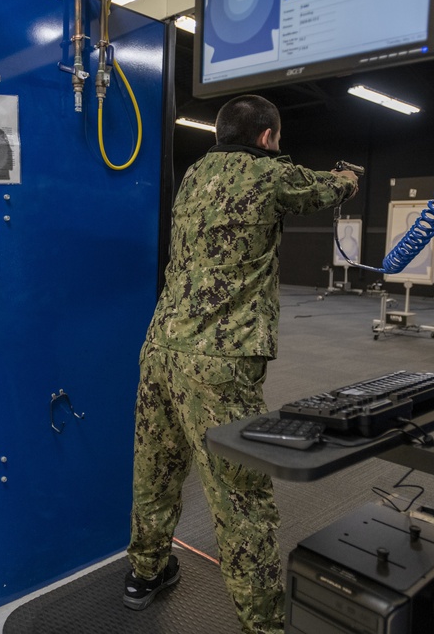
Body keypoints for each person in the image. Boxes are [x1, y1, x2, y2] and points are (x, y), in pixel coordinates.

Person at [124, 94, 359, 634]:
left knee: (155, 469)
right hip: (219, 361)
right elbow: (325, 187)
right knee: (240, 491)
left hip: (160, 346)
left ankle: (145, 572)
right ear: (266, 138)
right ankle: (263, 623)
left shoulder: (195, 174)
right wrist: (348, 175)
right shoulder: (269, 173)